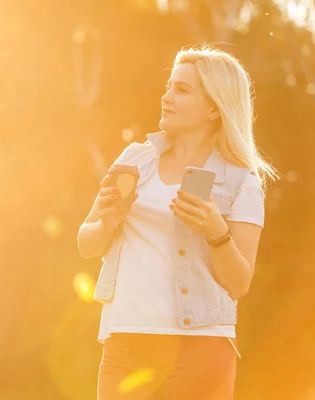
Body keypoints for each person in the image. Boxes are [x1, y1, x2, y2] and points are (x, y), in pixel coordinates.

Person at [77, 46, 278, 399]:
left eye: (182, 90)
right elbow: (86, 242)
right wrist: (106, 224)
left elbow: (239, 283)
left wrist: (218, 234)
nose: (166, 98)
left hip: (200, 348)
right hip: (127, 342)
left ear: (214, 107)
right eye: (169, 87)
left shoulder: (239, 181)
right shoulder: (134, 160)